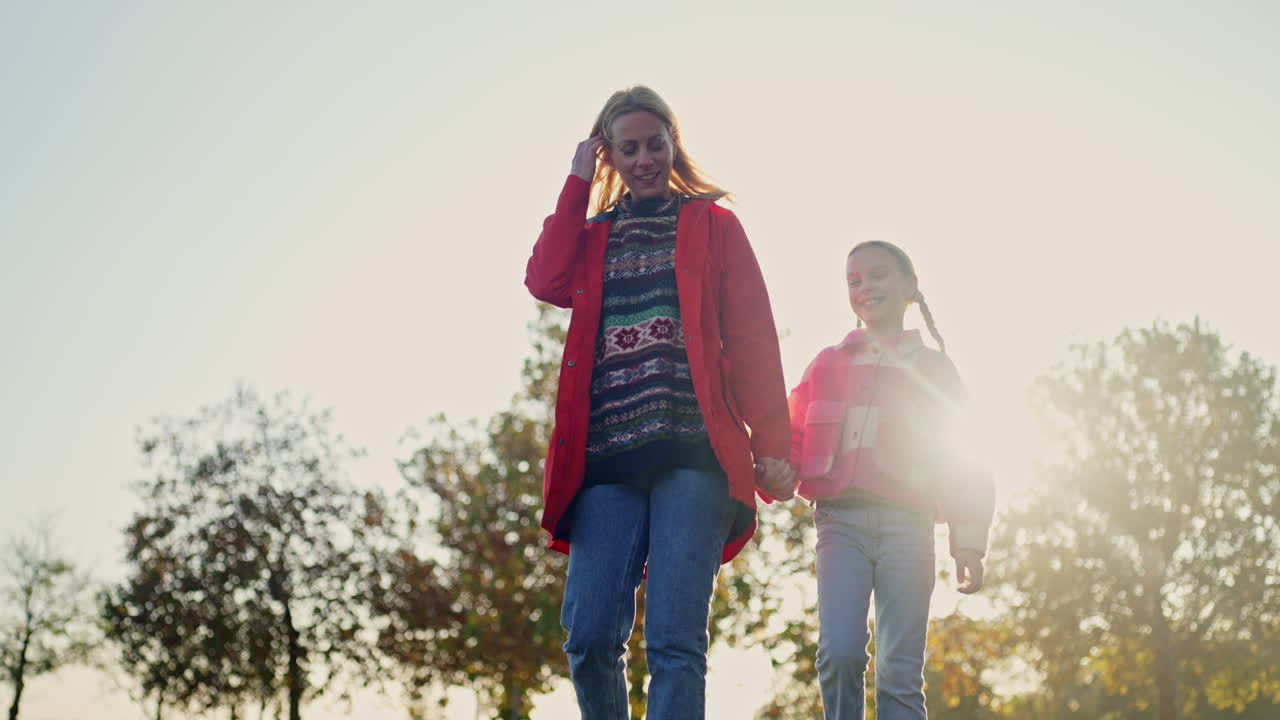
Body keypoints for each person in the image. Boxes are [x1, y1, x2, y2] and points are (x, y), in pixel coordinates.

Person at [523, 85, 796, 719]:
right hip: (606, 459)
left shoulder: (715, 225)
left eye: (655, 144)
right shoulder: (591, 235)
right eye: (628, 149)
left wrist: (773, 446)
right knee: (590, 637)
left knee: (675, 641)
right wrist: (576, 180)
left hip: (694, 454)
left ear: (674, 143)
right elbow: (545, 279)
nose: (644, 159)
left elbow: (752, 338)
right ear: (610, 157)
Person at [787, 240, 995, 719]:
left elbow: (966, 458)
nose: (866, 287)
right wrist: (778, 469)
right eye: (854, 281)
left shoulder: (934, 369)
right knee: (839, 653)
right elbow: (792, 432)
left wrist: (968, 540)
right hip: (840, 525)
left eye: (878, 275)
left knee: (899, 671)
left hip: (909, 527)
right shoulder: (826, 363)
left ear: (910, 287)